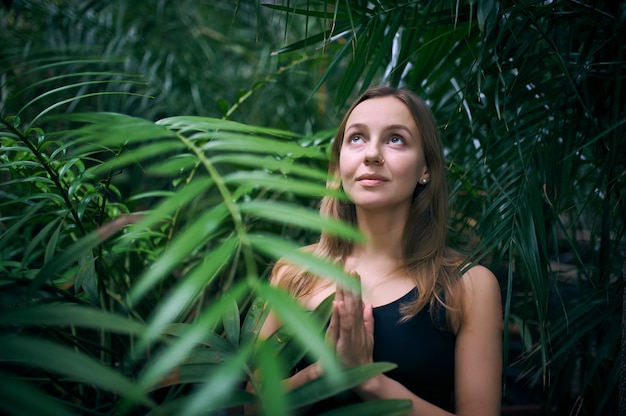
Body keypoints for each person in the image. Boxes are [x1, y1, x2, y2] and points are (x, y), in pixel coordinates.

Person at [254, 85, 503, 415]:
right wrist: (322, 373)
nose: (371, 154)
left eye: (395, 139)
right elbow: (253, 406)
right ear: (339, 163)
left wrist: (369, 380)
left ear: (426, 169)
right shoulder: (294, 273)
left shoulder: (468, 286)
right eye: (356, 138)